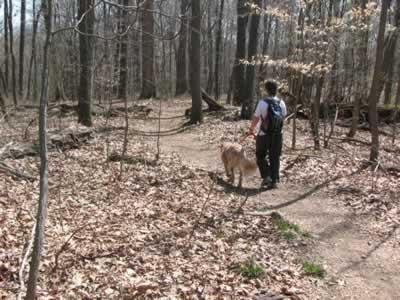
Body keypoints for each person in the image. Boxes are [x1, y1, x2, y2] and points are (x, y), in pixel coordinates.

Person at [248, 80, 287, 189]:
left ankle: (267, 176)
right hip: (278, 134)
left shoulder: (262, 102)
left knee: (260, 155)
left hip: (263, 134)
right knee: (275, 156)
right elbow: (283, 117)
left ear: (266, 89)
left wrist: (251, 129)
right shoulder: (281, 102)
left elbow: (256, 118)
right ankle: (274, 180)